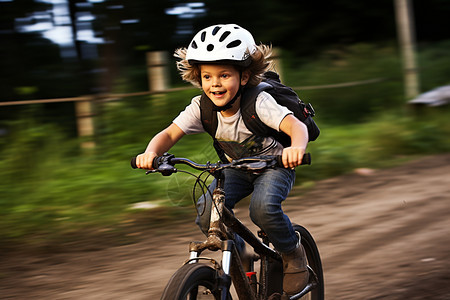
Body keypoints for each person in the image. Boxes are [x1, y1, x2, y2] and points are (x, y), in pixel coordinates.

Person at [135, 24, 309, 296]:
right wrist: (151, 153)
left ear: (243, 77)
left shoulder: (259, 102)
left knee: (262, 210)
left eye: (224, 74)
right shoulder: (201, 107)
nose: (214, 83)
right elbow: (169, 134)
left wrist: (296, 148)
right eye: (207, 76)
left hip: (274, 166)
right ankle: (240, 255)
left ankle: (292, 251)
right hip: (236, 169)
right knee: (207, 212)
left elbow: (296, 126)